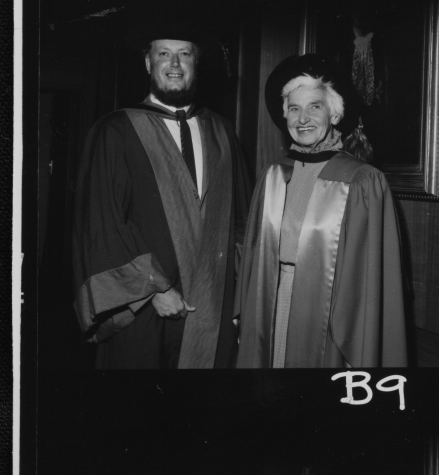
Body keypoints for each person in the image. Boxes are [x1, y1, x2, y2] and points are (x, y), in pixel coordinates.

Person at [73, 31, 252, 368]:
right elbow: (102, 221)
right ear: (148, 62)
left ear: (196, 63)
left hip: (213, 305)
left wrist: (242, 299)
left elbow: (242, 221)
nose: (174, 64)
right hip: (144, 307)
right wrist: (153, 289)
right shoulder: (116, 129)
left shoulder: (222, 131)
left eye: (184, 54)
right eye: (163, 54)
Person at [235, 55, 407, 369]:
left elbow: (367, 280)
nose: (303, 119)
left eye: (315, 106)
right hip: (271, 300)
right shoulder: (272, 175)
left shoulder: (363, 181)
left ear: (335, 113)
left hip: (329, 312)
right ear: (284, 115)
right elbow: (252, 258)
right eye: (294, 108)